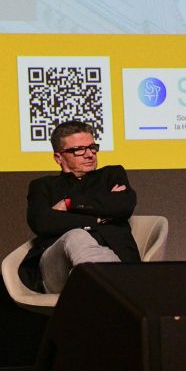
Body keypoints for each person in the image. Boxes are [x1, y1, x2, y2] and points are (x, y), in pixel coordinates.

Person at [19, 120, 140, 293]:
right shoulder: (43, 186)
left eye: (92, 147)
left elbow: (123, 205)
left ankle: (99, 288)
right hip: (57, 268)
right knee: (76, 236)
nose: (89, 154)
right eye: (79, 150)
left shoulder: (111, 174)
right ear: (58, 157)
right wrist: (98, 218)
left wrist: (69, 204)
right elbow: (42, 222)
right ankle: (107, 287)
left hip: (117, 257)